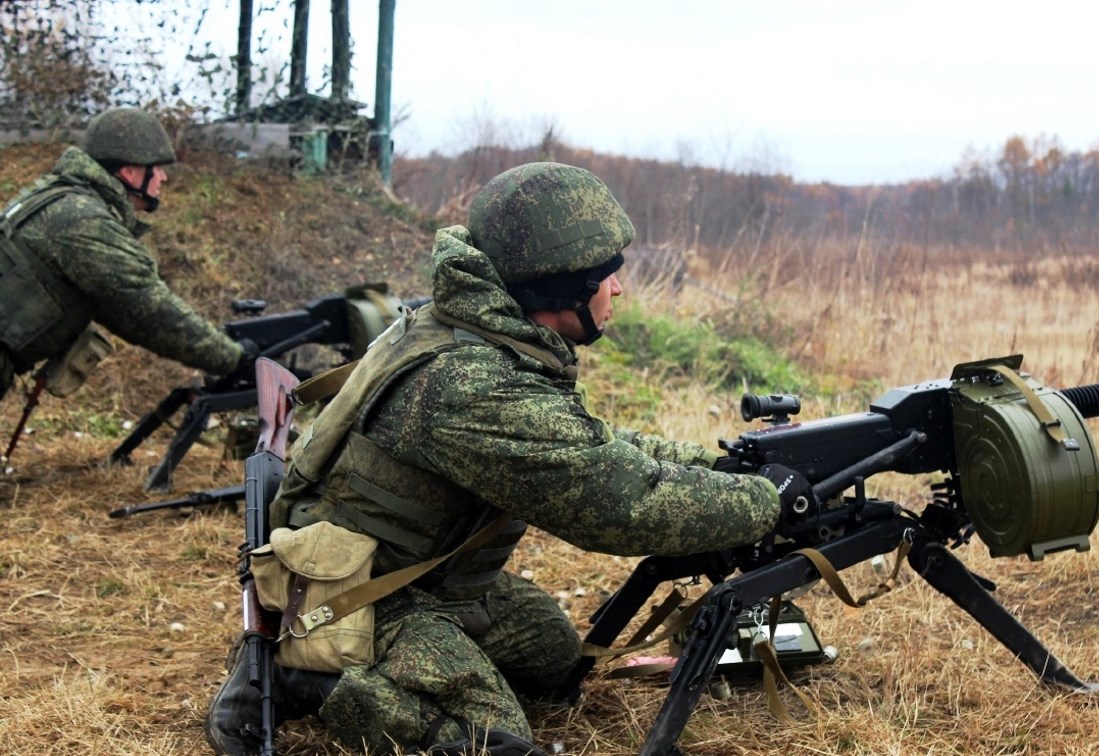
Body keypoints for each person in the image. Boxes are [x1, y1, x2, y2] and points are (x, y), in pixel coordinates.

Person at [204, 162, 810, 755]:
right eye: (607, 273)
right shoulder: (472, 383)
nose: (619, 288)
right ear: (561, 283)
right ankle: (303, 680)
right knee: (489, 738)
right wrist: (768, 500)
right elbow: (619, 503)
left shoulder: (486, 333)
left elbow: (592, 444)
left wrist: (725, 467)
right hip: (364, 593)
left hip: (434, 578)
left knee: (552, 657)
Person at [0, 107, 257, 403]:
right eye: (156, 167)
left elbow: (120, 309)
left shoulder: (56, 198)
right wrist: (233, 358)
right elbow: (147, 309)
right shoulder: (84, 220)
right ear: (130, 171)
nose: (163, 178)